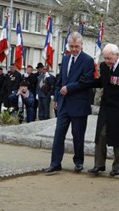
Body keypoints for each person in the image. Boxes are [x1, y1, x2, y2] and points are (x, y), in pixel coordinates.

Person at [43, 32, 94, 173]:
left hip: (79, 104)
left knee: (78, 136)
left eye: (76, 46)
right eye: (71, 46)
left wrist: (69, 88)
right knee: (59, 134)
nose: (73, 49)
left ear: (81, 45)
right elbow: (60, 81)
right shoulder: (65, 59)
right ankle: (55, 163)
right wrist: (57, 98)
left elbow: (87, 81)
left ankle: (78, 162)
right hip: (64, 104)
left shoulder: (88, 61)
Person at [87, 43, 119, 176]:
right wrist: (87, 82)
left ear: (117, 55)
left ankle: (117, 167)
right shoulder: (104, 67)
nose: (107, 61)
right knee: (101, 136)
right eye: (105, 58)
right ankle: (99, 165)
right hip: (106, 108)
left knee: (118, 139)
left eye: (109, 58)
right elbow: (103, 82)